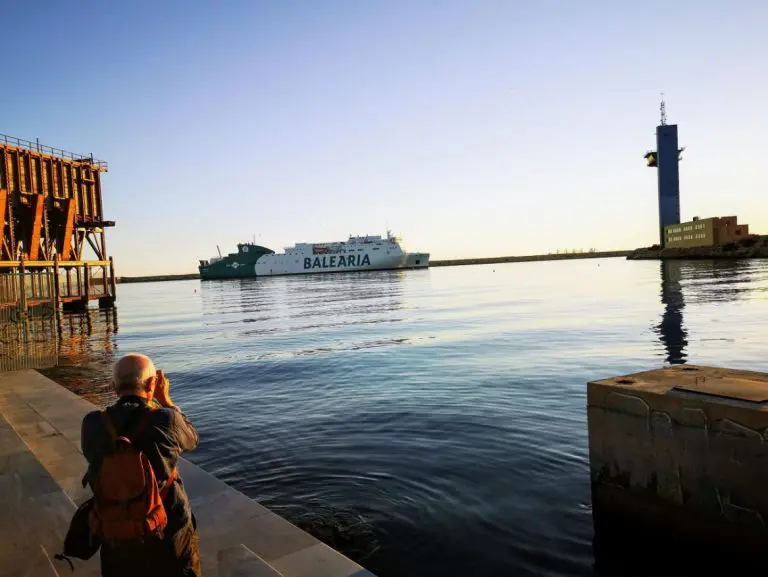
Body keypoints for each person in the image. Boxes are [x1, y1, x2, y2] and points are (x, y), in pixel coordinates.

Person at [81, 353, 202, 577]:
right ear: (152, 384)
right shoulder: (166, 419)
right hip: (168, 528)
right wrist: (166, 401)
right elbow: (192, 439)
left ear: (113, 386)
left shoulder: (92, 423)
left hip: (115, 530)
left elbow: (92, 458)